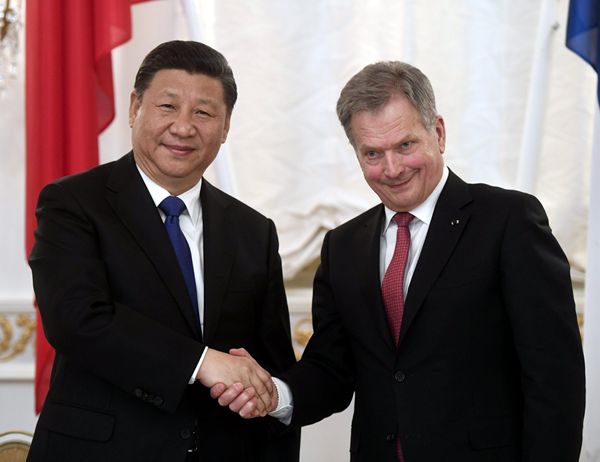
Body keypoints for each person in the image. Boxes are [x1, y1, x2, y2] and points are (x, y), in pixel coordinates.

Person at [212, 61, 586, 461]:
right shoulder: (343, 247)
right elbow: (331, 370)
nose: (392, 169)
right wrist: (275, 393)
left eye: (405, 145)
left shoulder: (509, 220)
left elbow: (554, 377)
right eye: (373, 153)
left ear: (438, 133)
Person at [27, 40, 300, 462]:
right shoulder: (72, 203)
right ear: (135, 108)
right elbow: (76, 320)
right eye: (168, 107)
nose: (184, 127)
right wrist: (202, 362)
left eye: (203, 113)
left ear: (226, 127)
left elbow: (271, 368)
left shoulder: (253, 231)